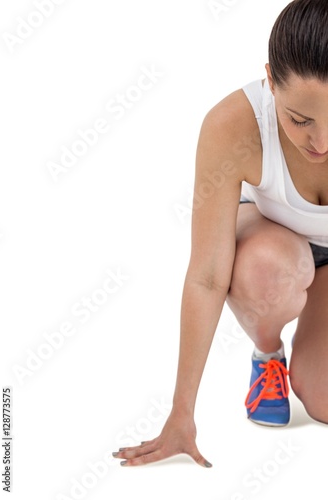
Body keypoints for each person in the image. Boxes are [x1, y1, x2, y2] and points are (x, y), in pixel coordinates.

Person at [113, 0, 328, 467]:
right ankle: (268, 355)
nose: (322, 144)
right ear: (271, 81)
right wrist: (181, 413)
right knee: (267, 269)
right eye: (300, 119)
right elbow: (208, 275)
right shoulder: (233, 126)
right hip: (275, 240)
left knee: (323, 395)